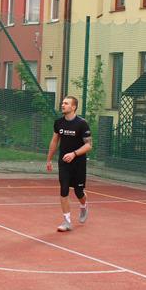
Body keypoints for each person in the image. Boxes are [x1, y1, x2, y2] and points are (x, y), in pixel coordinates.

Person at [46, 96, 92, 232]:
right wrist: (49, 159)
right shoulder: (58, 123)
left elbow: (89, 145)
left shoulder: (82, 124)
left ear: (73, 107)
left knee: (79, 192)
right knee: (64, 189)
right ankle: (67, 221)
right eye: (62, 103)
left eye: (66, 103)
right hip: (64, 162)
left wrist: (74, 154)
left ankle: (84, 206)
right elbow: (54, 141)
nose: (63, 105)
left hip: (78, 163)